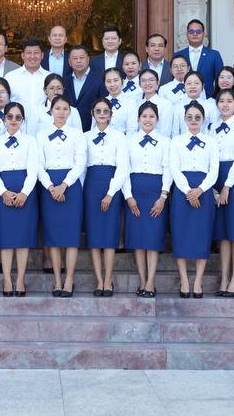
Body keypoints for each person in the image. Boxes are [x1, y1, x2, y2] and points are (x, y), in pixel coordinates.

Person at [0, 102, 40, 297]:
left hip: (25, 190)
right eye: (10, 117)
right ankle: (7, 280)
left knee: (23, 239)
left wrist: (25, 192)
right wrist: (3, 192)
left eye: (18, 117)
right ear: (4, 119)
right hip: (4, 190)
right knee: (7, 238)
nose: (14, 121)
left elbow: (33, 169)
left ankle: (20, 280)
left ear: (23, 120)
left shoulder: (30, 141)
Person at [169, 101, 219, 298]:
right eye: (189, 117)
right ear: (184, 119)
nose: (193, 120)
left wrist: (200, 189)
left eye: (197, 117)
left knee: (202, 234)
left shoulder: (211, 141)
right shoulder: (177, 141)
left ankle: (198, 280)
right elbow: (174, 168)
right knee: (181, 234)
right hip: (183, 190)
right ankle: (184, 279)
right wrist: (188, 190)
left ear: (203, 119)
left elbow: (213, 170)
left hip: (203, 190)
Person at [38, 96, 86, 297]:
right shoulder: (41, 135)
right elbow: (38, 164)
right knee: (54, 236)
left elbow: (80, 162)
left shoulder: (77, 135)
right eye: (57, 108)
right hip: (49, 186)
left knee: (71, 236)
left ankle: (69, 280)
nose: (61, 112)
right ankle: (57, 279)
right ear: (51, 111)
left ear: (69, 112)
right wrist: (51, 187)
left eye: (65, 108)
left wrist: (64, 185)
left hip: (70, 186)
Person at [122, 102, 170, 298]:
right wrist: (128, 196)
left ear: (157, 119)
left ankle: (151, 282)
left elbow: (168, 169)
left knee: (152, 239)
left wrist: (163, 196)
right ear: (138, 119)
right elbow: (123, 169)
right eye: (144, 116)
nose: (148, 120)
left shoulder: (165, 141)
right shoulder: (129, 140)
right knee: (138, 240)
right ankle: (142, 281)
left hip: (155, 192)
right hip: (135, 191)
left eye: (151, 116)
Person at [83, 98, 127, 297]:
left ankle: (108, 280)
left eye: (105, 111)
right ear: (93, 113)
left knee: (109, 235)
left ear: (111, 114)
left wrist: (110, 193)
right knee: (94, 236)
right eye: (98, 110)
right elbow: (82, 167)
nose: (102, 114)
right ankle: (98, 280)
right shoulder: (84, 137)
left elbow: (122, 167)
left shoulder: (119, 137)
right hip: (91, 186)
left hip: (111, 186)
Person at [210, 90, 234, 296]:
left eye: (230, 101)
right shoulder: (211, 128)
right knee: (222, 233)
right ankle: (224, 277)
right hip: (215, 179)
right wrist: (215, 186)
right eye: (221, 101)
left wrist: (227, 185)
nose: (225, 105)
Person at [175, 18, 223, 96]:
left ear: (204, 34)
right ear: (187, 34)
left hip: (208, 99)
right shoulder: (178, 55)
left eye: (198, 31)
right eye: (191, 31)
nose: (195, 34)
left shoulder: (214, 55)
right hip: (182, 98)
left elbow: (220, 78)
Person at [66, 45, 104, 130]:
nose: (78, 61)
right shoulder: (65, 81)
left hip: (92, 128)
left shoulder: (100, 79)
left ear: (88, 59)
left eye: (82, 57)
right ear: (69, 62)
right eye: (75, 58)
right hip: (69, 129)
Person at [7, 40, 51, 114]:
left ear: (42, 55)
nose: (32, 56)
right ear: (22, 55)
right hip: (18, 123)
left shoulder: (50, 77)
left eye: (36, 53)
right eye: (29, 53)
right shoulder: (10, 77)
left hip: (44, 123)